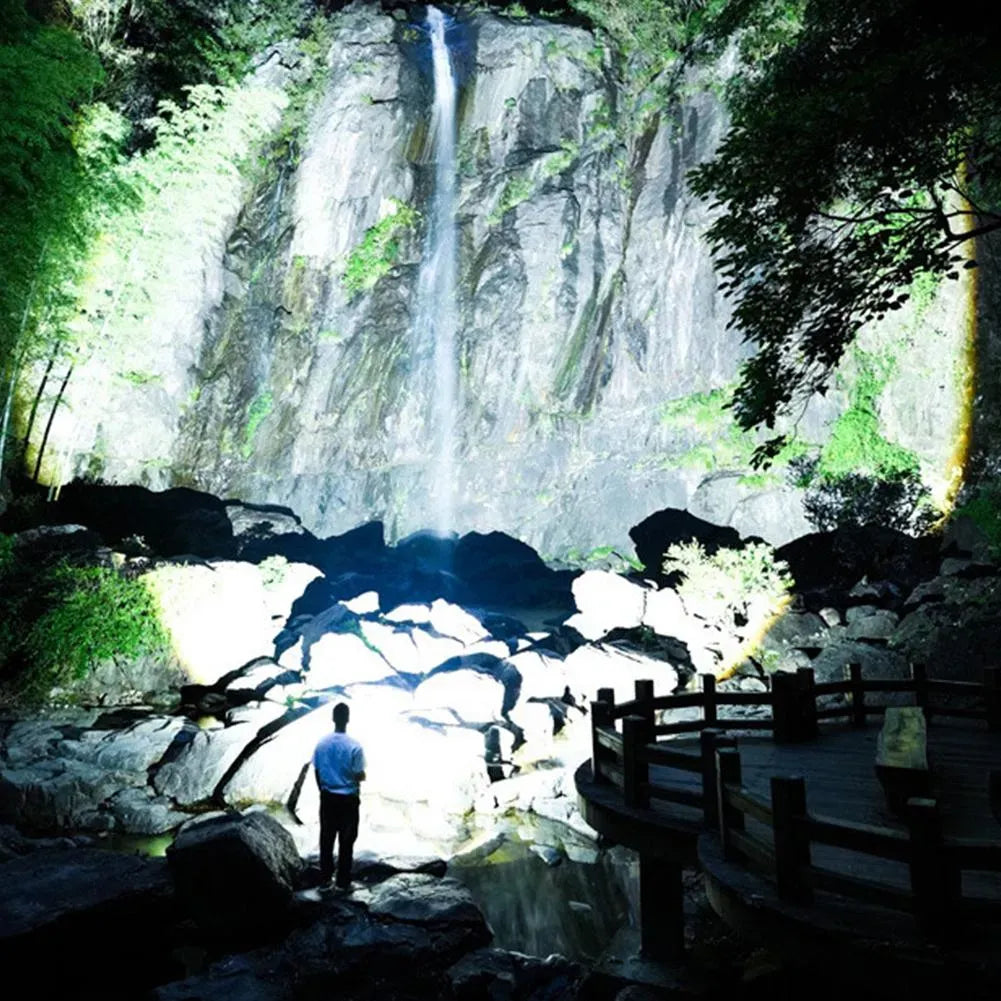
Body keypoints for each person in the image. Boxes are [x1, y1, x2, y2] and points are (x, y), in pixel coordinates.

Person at [312, 701, 366, 889]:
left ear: (333, 718)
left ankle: (325, 879)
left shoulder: (322, 744)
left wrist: (322, 790)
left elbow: (317, 771)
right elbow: (359, 774)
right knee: (347, 841)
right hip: (348, 799)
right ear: (348, 719)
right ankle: (343, 881)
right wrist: (361, 776)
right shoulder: (355, 746)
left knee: (326, 839)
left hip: (328, 797)